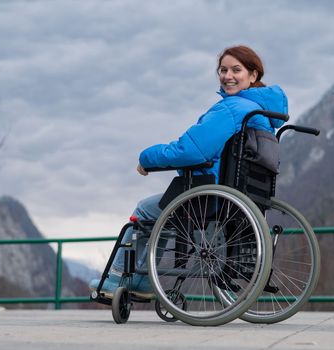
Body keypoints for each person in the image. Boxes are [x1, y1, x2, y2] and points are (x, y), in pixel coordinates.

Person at [89, 45, 288, 299]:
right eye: (223, 70)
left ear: (253, 75)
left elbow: (191, 150)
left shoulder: (232, 108)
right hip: (243, 198)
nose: (227, 75)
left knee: (145, 211)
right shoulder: (263, 116)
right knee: (158, 210)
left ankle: (119, 279)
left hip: (209, 196)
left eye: (236, 70)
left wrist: (146, 159)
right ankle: (142, 281)